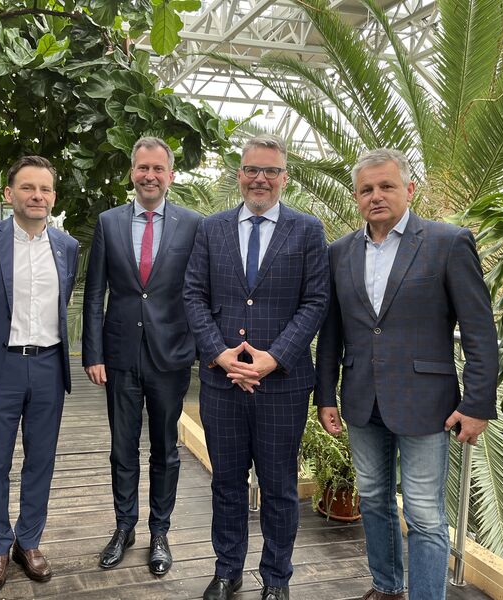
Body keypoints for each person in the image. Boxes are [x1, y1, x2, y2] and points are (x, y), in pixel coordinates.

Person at [314, 148, 499, 600]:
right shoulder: (339, 252)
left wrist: (476, 405)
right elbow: (331, 333)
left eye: (386, 186)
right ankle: (386, 586)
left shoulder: (448, 242)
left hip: (426, 405)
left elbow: (479, 332)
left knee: (425, 514)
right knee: (374, 499)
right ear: (356, 197)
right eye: (366, 189)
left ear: (409, 189)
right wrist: (326, 396)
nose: (376, 196)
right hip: (361, 400)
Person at [183, 134, 330, 600]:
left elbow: (315, 302)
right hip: (221, 381)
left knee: (280, 487)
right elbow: (194, 296)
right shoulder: (212, 228)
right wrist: (219, 352)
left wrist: (273, 358)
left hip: (281, 385)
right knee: (226, 483)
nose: (260, 178)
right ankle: (227, 572)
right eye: (251, 170)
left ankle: (276, 579)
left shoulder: (308, 230)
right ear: (239, 175)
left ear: (285, 177)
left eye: (270, 171)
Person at [82, 137, 202, 576]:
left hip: (170, 356)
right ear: (132, 172)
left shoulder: (192, 224)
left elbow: (199, 293)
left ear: (170, 175)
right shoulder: (109, 222)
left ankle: (160, 532)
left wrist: (199, 349)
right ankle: (124, 527)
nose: (149, 175)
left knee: (165, 450)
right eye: (141, 168)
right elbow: (95, 293)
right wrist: (93, 352)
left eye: (157, 168)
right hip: (119, 356)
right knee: (122, 448)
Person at [0, 155, 79, 593]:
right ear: (9, 194)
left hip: (49, 365)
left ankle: (27, 541)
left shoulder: (67, 246)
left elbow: (63, 303)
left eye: (45, 189)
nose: (37, 196)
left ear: (53, 196)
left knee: (41, 462)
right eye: (28, 188)